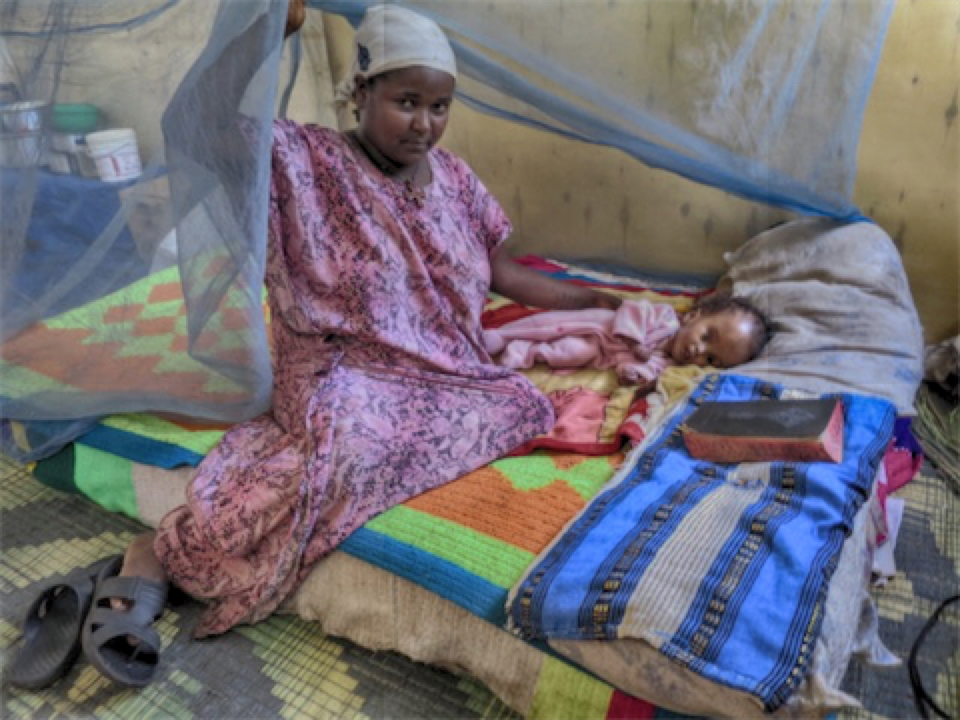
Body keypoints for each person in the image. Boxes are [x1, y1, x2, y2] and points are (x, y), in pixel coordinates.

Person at [78, 2, 623, 687]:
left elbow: (505, 268)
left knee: (518, 405)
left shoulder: (455, 179)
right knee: (353, 443)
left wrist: (598, 301)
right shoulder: (302, 160)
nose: (425, 123)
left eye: (440, 106)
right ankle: (163, 553)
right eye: (405, 101)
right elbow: (194, 127)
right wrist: (258, 36)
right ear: (360, 93)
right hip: (340, 367)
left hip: (440, 369)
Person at [484, 293, 772, 391]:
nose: (699, 351)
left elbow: (647, 371)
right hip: (598, 324)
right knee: (548, 325)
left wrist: (635, 375)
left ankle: (520, 354)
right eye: (707, 336)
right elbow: (633, 309)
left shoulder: (669, 363)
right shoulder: (664, 318)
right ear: (693, 316)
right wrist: (635, 342)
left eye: (711, 360)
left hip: (597, 350)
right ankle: (501, 336)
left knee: (567, 352)